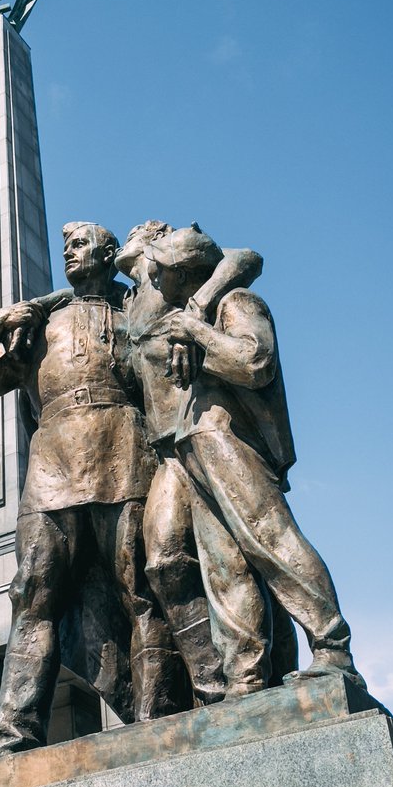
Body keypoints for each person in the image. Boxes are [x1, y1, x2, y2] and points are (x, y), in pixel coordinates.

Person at [0, 222, 185, 755]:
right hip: (52, 471)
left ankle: (157, 719)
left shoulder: (136, 313)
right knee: (32, 597)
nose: (69, 255)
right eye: (65, 249)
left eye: (80, 246)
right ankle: (12, 737)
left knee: (141, 594)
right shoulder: (39, 324)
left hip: (126, 460)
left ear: (107, 254)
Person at [145, 224, 363, 695]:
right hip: (194, 444)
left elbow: (254, 363)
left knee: (271, 539)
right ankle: (244, 676)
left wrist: (198, 329)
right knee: (224, 566)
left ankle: (331, 648)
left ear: (185, 273)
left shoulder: (237, 302)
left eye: (161, 270)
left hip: (230, 439)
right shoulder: (186, 311)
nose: (154, 279)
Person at [114, 222, 298, 703]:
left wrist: (197, 309)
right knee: (166, 559)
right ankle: (215, 682)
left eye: (137, 232)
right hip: (168, 445)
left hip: (205, 429)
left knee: (249, 544)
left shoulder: (178, 279)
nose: (125, 239)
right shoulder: (125, 303)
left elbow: (243, 257)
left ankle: (260, 669)